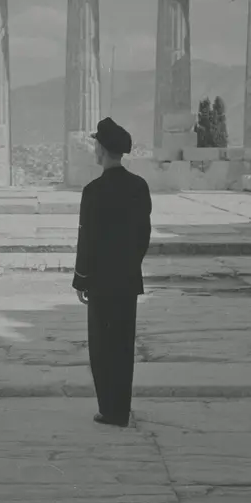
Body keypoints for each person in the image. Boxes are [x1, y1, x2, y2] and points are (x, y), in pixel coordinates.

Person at [72, 117, 152, 427]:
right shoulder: (139, 186)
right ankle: (121, 409)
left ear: (102, 150)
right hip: (127, 279)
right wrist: (130, 265)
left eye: (96, 145)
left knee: (102, 347)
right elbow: (143, 236)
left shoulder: (93, 190)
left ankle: (108, 409)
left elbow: (87, 240)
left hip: (100, 282)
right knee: (123, 345)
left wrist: (81, 278)